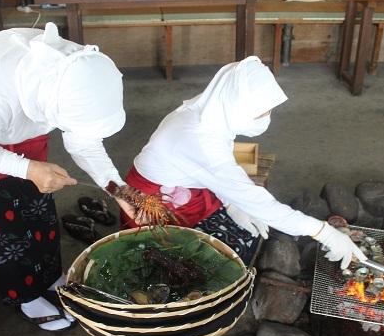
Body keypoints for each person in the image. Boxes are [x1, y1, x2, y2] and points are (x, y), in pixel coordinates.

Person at [0, 23, 131, 331]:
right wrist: (27, 168)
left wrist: (121, 192)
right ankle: (25, 293)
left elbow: (84, 141)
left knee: (38, 198)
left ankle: (50, 276)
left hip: (21, 110)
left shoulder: (77, 75)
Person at [123, 56, 366, 268]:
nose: (267, 117)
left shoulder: (214, 109)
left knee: (247, 236)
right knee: (216, 258)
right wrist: (324, 233)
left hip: (190, 187)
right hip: (154, 203)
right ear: (236, 106)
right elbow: (257, 201)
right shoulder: (200, 138)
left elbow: (223, 169)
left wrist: (231, 204)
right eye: (261, 112)